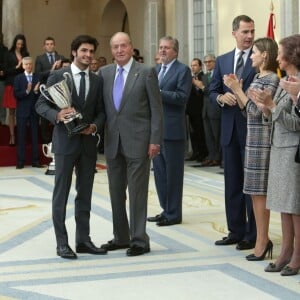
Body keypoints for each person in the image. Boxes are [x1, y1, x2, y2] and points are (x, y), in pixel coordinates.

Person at [35, 35, 106, 259]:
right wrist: (56, 114)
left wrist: (94, 126)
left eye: (91, 51)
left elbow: (102, 111)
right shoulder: (57, 75)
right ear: (74, 52)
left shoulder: (97, 80)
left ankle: (83, 240)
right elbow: (40, 104)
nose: (88, 55)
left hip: (87, 145)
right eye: (84, 50)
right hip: (65, 143)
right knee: (61, 193)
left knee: (84, 194)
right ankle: (62, 243)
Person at [99, 32, 163, 256]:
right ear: (111, 50)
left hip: (139, 141)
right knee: (116, 192)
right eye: (115, 46)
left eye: (123, 46)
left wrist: (155, 140)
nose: (119, 50)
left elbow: (157, 109)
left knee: (137, 193)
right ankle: (121, 237)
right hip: (113, 142)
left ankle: (139, 240)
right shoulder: (104, 73)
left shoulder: (146, 72)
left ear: (131, 47)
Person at [223, 37, 279, 261]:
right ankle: (261, 239)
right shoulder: (257, 76)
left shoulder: (272, 78)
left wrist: (238, 89)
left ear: (265, 55)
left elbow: (257, 111)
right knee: (254, 193)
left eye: (255, 52)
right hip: (252, 138)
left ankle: (262, 240)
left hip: (263, 140)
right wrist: (235, 90)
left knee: (260, 194)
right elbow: (248, 110)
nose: (251, 55)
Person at [251, 34, 300, 276]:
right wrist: (265, 105)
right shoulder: (285, 80)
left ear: (291, 55)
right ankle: (285, 253)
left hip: (292, 151)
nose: (277, 57)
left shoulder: (298, 82)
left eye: (280, 53)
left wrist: (271, 106)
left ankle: (296, 257)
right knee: (283, 206)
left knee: (295, 208)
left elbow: (296, 124)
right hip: (279, 149)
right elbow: (277, 115)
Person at [209, 15, 257, 250]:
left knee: (252, 186)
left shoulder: (259, 60)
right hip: (228, 131)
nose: (249, 36)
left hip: (252, 130)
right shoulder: (223, 60)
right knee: (232, 183)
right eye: (245, 32)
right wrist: (220, 97)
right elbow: (212, 90)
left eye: (252, 32)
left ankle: (253, 234)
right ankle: (235, 231)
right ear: (234, 33)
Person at [148, 36, 192, 226]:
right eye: (160, 47)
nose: (162, 51)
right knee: (159, 173)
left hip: (173, 131)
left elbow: (182, 97)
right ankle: (165, 209)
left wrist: (157, 92)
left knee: (173, 175)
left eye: (166, 48)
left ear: (175, 51)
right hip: (156, 131)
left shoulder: (183, 70)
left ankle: (174, 214)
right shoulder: (156, 70)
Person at [35, 37, 66, 144]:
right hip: (46, 91)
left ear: (55, 45)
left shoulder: (61, 57)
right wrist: (52, 69)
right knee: (45, 117)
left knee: (59, 113)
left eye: (51, 44)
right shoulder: (39, 58)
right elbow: (38, 74)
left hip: (59, 90)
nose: (49, 46)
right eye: (47, 44)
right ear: (44, 46)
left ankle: (58, 139)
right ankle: (46, 140)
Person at [14, 57, 43, 169]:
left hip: (34, 111)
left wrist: (35, 91)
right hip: (22, 111)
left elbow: (41, 95)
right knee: (21, 137)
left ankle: (35, 161)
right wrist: (27, 91)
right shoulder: (18, 78)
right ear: (23, 66)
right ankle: (20, 161)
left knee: (35, 137)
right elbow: (16, 95)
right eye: (26, 64)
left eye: (30, 64)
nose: (29, 66)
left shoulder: (37, 77)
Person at [2, 34, 29, 146]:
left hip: (22, 85)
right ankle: (12, 137)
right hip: (11, 84)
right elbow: (5, 71)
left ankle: (21, 136)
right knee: (12, 113)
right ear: (15, 43)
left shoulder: (26, 54)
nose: (20, 46)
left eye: (22, 44)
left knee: (22, 112)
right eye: (18, 44)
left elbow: (28, 69)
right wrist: (17, 67)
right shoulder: (9, 54)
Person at [185, 58, 207, 162]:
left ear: (200, 66)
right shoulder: (190, 78)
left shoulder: (204, 77)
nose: (193, 67)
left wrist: (198, 85)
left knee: (200, 133)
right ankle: (195, 152)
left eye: (195, 65)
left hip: (200, 110)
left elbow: (203, 93)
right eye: (192, 65)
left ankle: (203, 154)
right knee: (193, 133)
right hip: (191, 110)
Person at [201, 54, 221, 166]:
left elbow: (214, 91)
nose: (207, 64)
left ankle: (218, 158)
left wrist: (203, 87)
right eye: (206, 62)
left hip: (215, 110)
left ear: (215, 62)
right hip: (206, 110)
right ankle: (211, 155)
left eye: (210, 61)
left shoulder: (218, 75)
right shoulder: (204, 76)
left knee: (216, 135)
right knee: (208, 136)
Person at [0, 33, 8, 124]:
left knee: (1, 102)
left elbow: (5, 64)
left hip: (1, 80)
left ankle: (2, 121)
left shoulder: (5, 50)